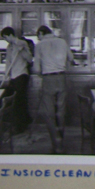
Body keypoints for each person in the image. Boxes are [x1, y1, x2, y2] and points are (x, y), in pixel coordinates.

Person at [32, 25, 74, 153]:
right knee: (60, 110)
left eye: (38, 35)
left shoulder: (39, 45)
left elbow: (36, 69)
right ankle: (61, 139)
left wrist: (42, 71)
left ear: (41, 33)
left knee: (49, 113)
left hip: (48, 79)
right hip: (61, 78)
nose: (38, 38)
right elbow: (71, 59)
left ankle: (56, 143)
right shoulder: (62, 41)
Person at [0, 27, 32, 134]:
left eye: (5, 37)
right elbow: (8, 62)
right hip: (13, 77)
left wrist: (22, 51)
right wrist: (6, 75)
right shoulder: (9, 46)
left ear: (10, 35)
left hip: (22, 75)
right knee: (10, 101)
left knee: (19, 101)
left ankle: (20, 127)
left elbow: (29, 59)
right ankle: (21, 123)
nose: (5, 40)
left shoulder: (22, 43)